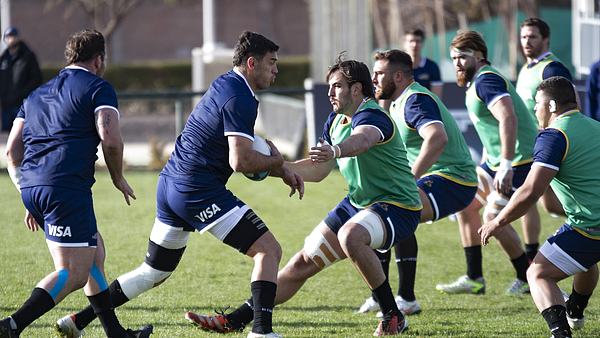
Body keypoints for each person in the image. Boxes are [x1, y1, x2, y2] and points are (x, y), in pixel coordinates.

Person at [54, 31, 302, 338]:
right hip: (197, 190)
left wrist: (283, 170)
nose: (276, 70)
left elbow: (237, 151)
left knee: (154, 271)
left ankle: (78, 320)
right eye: (272, 63)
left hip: (171, 185)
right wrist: (279, 163)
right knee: (269, 251)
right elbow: (241, 161)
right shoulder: (241, 98)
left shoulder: (225, 84)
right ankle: (262, 332)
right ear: (252, 63)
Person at [186, 54, 422, 336]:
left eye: (336, 85)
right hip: (359, 204)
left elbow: (363, 140)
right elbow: (318, 169)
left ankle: (392, 315)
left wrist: (336, 150)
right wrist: (272, 166)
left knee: (350, 236)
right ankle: (236, 320)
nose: (330, 92)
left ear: (357, 89)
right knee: (299, 265)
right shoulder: (335, 121)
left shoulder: (373, 115)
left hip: (398, 205)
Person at [2, 29, 153, 338]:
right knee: (72, 272)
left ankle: (116, 333)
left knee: (94, 252)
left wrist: (27, 193)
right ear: (99, 60)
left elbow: (11, 151)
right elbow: (110, 140)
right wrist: (117, 177)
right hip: (66, 189)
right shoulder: (99, 87)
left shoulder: (35, 94)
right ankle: (11, 326)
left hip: (34, 187)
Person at [357, 49, 478, 316]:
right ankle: (391, 297)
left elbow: (437, 138)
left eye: (379, 73)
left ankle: (402, 298)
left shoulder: (415, 100)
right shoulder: (399, 101)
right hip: (441, 177)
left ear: (398, 76)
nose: (373, 78)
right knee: (386, 210)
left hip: (454, 178)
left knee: (392, 208)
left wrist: (409, 180)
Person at [480, 76, 600, 338]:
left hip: (589, 227)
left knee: (537, 273)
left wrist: (497, 221)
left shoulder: (554, 135)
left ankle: (561, 333)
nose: (535, 109)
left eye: (537, 103)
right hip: (589, 229)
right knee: (585, 260)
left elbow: (531, 191)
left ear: (552, 105)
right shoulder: (595, 126)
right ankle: (576, 312)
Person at [436, 29, 540, 296]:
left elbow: (508, 118)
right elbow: (493, 126)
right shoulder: (477, 81)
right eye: (453, 57)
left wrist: (505, 163)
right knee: (465, 205)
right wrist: (490, 158)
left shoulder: (486, 81)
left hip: (519, 161)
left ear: (479, 56)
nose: (457, 62)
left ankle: (527, 277)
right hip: (497, 162)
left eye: (462, 56)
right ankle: (474, 279)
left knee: (493, 217)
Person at [516, 18, 573, 230]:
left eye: (532, 36)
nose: (527, 41)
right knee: (548, 204)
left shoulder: (551, 68)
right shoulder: (526, 68)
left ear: (546, 39)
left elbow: (571, 100)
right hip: (535, 147)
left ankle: (528, 258)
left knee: (524, 196)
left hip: (554, 145)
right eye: (523, 37)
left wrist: (553, 132)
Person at [379, 29, 443, 112]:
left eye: (417, 41)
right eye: (411, 41)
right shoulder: (394, 66)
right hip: (398, 113)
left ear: (422, 44)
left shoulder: (432, 67)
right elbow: (385, 95)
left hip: (423, 114)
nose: (414, 44)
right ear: (404, 44)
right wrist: (384, 117)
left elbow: (436, 99)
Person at [0, 26, 42, 132]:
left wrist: (22, 93)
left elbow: (36, 78)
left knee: (21, 134)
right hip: (6, 106)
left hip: (21, 104)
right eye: (8, 37)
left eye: (13, 36)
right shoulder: (3, 58)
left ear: (17, 38)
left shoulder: (27, 56)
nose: (11, 39)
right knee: (5, 135)